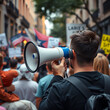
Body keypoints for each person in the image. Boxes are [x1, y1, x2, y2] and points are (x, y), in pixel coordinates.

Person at [38, 30, 108, 110]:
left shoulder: (61, 89)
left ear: (72, 53)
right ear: (95, 54)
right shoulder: (108, 81)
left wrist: (57, 77)